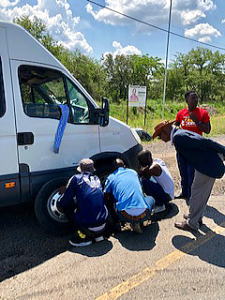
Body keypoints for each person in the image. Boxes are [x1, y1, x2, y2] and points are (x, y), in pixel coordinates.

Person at [152, 120, 225, 231]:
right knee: (201, 193)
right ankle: (196, 217)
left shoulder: (178, 137)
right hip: (205, 164)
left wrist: (223, 150)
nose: (160, 139)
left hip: (207, 164)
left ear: (166, 130)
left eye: (160, 135)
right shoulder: (179, 134)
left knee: (197, 193)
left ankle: (192, 223)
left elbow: (205, 142)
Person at [57, 158, 109, 247]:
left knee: (67, 208)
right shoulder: (97, 179)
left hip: (89, 224)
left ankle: (84, 237)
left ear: (80, 169)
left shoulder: (76, 179)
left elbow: (65, 200)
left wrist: (59, 203)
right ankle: (99, 235)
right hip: (103, 222)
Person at [175, 91, 211, 200]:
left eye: (196, 98)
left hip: (195, 149)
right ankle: (184, 193)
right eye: (193, 98)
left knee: (192, 173)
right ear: (187, 100)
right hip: (182, 149)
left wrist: (197, 122)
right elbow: (175, 126)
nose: (196, 100)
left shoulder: (203, 113)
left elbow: (208, 130)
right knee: (183, 172)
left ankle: (192, 195)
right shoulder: (181, 113)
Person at [104, 158, 155, 233]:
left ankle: (119, 223)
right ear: (124, 166)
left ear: (113, 169)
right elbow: (140, 188)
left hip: (124, 215)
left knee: (113, 204)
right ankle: (141, 221)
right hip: (144, 213)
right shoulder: (133, 172)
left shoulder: (111, 177)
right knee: (151, 199)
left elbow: (106, 195)